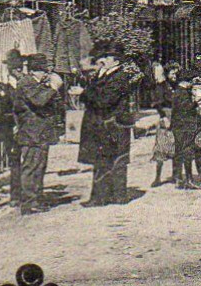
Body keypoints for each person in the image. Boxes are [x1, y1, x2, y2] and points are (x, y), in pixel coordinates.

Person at [77, 41, 138, 206]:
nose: (103, 60)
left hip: (114, 125)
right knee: (102, 160)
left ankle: (115, 196)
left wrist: (84, 92)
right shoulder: (103, 75)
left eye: (107, 57)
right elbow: (93, 97)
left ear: (116, 61)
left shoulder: (120, 78)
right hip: (104, 124)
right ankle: (104, 196)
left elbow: (104, 100)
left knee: (116, 160)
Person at [12, 53, 65, 213]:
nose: (47, 74)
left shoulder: (39, 83)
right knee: (31, 167)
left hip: (41, 132)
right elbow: (39, 101)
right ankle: (28, 202)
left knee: (40, 166)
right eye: (45, 71)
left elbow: (54, 104)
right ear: (37, 70)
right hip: (30, 133)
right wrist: (53, 87)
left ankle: (37, 198)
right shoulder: (26, 83)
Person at [169, 71, 201, 189]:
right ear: (186, 82)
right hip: (185, 127)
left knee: (180, 152)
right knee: (187, 152)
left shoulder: (178, 92)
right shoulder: (182, 93)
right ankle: (189, 180)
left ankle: (179, 179)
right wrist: (196, 101)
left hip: (179, 126)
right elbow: (187, 108)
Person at [150, 107, 175, 187]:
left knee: (175, 151)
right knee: (160, 153)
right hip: (163, 128)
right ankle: (158, 178)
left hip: (173, 122)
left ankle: (175, 176)